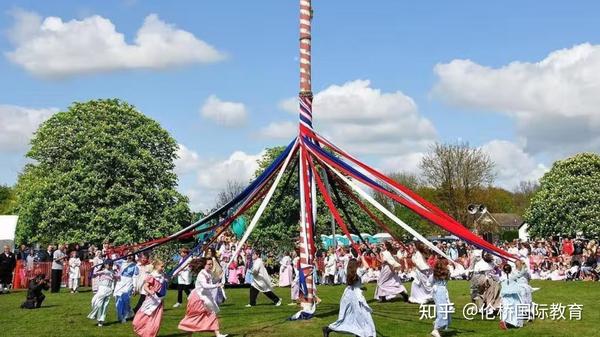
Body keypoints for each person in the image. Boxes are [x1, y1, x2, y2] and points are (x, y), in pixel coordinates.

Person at [323, 255, 375, 337]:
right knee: (362, 316)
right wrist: (362, 257)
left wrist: (361, 287)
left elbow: (354, 285)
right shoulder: (358, 271)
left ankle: (329, 329)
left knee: (348, 317)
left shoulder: (348, 272)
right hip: (356, 297)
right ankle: (328, 329)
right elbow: (367, 267)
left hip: (348, 295)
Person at [178, 257, 228, 337]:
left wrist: (219, 277)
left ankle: (218, 334)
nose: (211, 266)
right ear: (204, 265)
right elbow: (205, 285)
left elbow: (212, 282)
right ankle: (189, 334)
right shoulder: (202, 274)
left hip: (205, 297)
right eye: (209, 264)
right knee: (195, 316)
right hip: (198, 298)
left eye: (212, 264)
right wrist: (217, 285)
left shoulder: (209, 273)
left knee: (212, 313)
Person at [133, 259, 167, 337]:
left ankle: (150, 334)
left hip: (159, 302)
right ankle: (142, 331)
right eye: (162, 266)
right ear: (156, 266)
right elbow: (145, 287)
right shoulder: (152, 276)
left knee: (155, 320)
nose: (163, 268)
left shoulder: (163, 276)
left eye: (163, 266)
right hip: (151, 300)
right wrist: (151, 292)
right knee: (142, 317)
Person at [498, 262, 528, 330]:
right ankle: (514, 322)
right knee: (516, 308)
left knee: (506, 308)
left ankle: (505, 321)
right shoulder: (513, 276)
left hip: (505, 295)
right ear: (511, 270)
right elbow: (521, 273)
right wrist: (523, 266)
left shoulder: (501, 277)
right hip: (513, 295)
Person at [88, 260, 115, 327]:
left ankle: (101, 321)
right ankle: (94, 315)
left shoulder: (113, 272)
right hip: (102, 288)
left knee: (104, 305)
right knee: (95, 301)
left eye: (111, 264)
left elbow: (116, 278)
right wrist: (92, 269)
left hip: (109, 289)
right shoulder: (102, 271)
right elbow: (92, 276)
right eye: (109, 264)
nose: (110, 266)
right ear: (105, 265)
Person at [114, 254, 140, 323]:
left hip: (129, 282)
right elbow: (114, 260)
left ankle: (124, 316)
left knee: (125, 299)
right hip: (120, 281)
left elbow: (135, 277)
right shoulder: (122, 261)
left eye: (131, 255)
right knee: (117, 298)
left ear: (133, 257)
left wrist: (134, 287)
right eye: (128, 255)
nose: (129, 257)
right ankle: (122, 315)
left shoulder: (135, 265)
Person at [431, 259, 452, 337]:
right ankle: (436, 329)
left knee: (446, 308)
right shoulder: (435, 275)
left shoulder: (445, 274)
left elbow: (429, 282)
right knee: (442, 309)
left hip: (442, 292)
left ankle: (438, 324)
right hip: (438, 293)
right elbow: (429, 282)